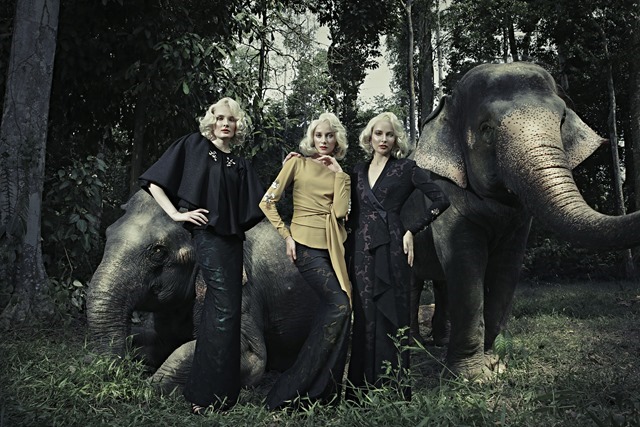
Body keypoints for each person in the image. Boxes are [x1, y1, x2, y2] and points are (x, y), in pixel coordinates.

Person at [138, 97, 265, 415]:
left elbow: (256, 207)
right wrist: (176, 215)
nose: (225, 123)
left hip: (233, 244)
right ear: (212, 120)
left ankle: (218, 393)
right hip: (208, 239)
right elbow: (154, 182)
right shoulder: (194, 146)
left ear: (238, 125)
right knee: (223, 310)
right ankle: (206, 396)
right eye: (220, 118)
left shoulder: (240, 164)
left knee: (224, 313)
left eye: (231, 119)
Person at [345, 111, 450, 401]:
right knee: (364, 314)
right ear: (369, 137)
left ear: (396, 139)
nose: (383, 139)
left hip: (393, 246)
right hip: (361, 249)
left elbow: (441, 199)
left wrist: (412, 229)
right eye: (378, 133)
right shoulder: (356, 171)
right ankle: (360, 390)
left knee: (392, 314)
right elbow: (345, 207)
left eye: (389, 134)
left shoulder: (406, 168)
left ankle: (393, 388)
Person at [259, 112, 352, 410]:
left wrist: (339, 173)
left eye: (329, 136)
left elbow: (340, 212)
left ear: (337, 140)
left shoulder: (339, 173)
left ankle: (323, 392)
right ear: (311, 138)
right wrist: (287, 235)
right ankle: (292, 388)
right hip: (305, 245)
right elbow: (267, 201)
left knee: (339, 309)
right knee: (339, 305)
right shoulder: (296, 163)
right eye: (318, 135)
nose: (323, 141)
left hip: (333, 246)